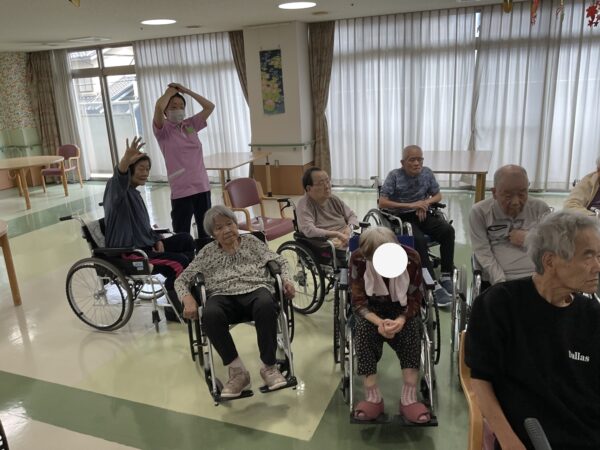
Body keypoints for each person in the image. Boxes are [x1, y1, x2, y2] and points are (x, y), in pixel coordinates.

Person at [465, 211, 600, 450]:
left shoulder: (593, 314)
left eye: (599, 256)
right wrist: (508, 441)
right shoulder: (499, 304)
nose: (597, 267)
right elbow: (481, 379)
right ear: (550, 261)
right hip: (532, 438)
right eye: (587, 257)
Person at [175, 205, 296, 397]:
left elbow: (280, 261)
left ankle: (269, 367)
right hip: (221, 295)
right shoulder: (207, 252)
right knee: (210, 314)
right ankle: (238, 372)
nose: (227, 230)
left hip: (256, 289)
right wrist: (187, 298)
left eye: (230, 224)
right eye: (219, 228)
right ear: (212, 234)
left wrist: (287, 281)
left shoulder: (252, 242)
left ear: (236, 224)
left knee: (266, 304)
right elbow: (181, 280)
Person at [103, 136, 196, 322]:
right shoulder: (116, 191)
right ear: (129, 170)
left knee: (186, 239)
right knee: (179, 262)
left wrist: (156, 239)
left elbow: (142, 227)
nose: (145, 173)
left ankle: (185, 287)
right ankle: (175, 309)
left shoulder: (135, 194)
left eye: (147, 169)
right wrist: (125, 160)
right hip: (130, 252)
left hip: (146, 245)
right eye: (140, 169)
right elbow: (119, 177)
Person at [349, 226, 430, 423]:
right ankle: (373, 397)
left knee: (412, 330)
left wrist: (401, 319)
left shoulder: (412, 259)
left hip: (402, 308)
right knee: (362, 331)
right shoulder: (358, 259)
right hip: (372, 309)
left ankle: (409, 398)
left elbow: (415, 297)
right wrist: (379, 322)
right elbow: (358, 301)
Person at [379, 145, 455, 306]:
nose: (416, 163)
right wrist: (412, 205)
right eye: (412, 159)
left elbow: (438, 195)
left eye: (419, 159)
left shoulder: (427, 173)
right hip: (400, 216)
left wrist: (424, 203)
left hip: (422, 213)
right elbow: (382, 202)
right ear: (403, 162)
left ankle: (446, 275)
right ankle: (431, 283)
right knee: (418, 239)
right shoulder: (394, 176)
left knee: (448, 230)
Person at [469, 165, 551, 285]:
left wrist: (529, 238)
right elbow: (482, 251)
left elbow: (552, 246)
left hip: (538, 277)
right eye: (508, 196)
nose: (516, 202)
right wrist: (500, 282)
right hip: (500, 279)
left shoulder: (540, 208)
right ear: (494, 193)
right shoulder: (480, 212)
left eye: (522, 194)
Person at [153, 82, 215, 237]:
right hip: (181, 189)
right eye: (173, 106)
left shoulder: (190, 125)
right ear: (166, 110)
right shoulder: (163, 130)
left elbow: (209, 106)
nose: (178, 109)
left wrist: (186, 91)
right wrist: (169, 92)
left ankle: (204, 253)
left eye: (181, 106)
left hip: (201, 186)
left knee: (206, 232)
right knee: (182, 234)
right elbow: (158, 107)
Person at [296, 167, 359, 249]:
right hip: (327, 244)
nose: (327, 186)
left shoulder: (333, 199)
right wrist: (337, 234)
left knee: (373, 240)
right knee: (364, 251)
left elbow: (351, 215)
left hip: (346, 237)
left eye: (328, 181)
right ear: (308, 188)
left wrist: (349, 229)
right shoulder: (304, 205)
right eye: (321, 183)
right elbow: (309, 230)